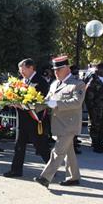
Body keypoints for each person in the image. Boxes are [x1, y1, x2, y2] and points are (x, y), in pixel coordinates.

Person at [33, 56, 86, 188]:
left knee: (58, 151)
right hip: (58, 124)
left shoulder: (78, 84)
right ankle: (73, 177)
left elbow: (77, 102)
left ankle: (45, 177)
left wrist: (56, 103)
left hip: (70, 124)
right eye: (55, 69)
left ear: (67, 68)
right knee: (69, 152)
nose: (56, 72)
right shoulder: (54, 84)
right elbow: (47, 101)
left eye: (59, 69)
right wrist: (30, 106)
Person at [4, 59, 50, 178]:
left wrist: (23, 105)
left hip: (36, 120)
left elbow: (43, 102)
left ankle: (51, 169)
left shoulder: (41, 82)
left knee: (40, 146)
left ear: (31, 68)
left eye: (23, 69)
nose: (21, 72)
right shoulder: (21, 81)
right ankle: (16, 170)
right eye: (20, 69)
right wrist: (11, 102)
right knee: (19, 145)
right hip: (23, 120)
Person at [85, 63, 103, 153]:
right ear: (99, 70)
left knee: (102, 127)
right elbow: (88, 98)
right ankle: (96, 145)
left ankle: (100, 143)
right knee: (95, 127)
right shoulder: (93, 81)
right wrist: (91, 111)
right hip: (96, 110)